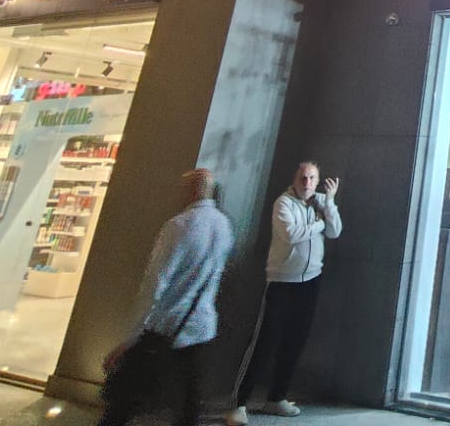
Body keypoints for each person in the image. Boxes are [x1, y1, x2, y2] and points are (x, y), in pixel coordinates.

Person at [100, 167, 234, 426]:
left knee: (128, 397)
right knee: (190, 398)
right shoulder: (224, 225)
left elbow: (156, 282)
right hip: (202, 324)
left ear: (192, 190)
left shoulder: (179, 226)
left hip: (167, 325)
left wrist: (132, 335)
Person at [227, 161, 342, 423]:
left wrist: (330, 203)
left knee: (295, 340)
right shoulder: (283, 203)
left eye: (312, 178)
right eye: (303, 177)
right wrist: (319, 224)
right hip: (282, 282)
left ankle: (276, 397)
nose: (307, 183)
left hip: (311, 280)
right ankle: (239, 402)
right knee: (264, 341)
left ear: (318, 181)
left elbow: (335, 230)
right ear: (295, 179)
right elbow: (291, 234)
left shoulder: (321, 202)